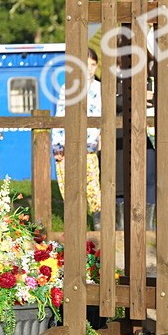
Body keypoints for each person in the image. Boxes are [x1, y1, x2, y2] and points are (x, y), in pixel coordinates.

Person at [53, 49, 103, 229]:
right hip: (68, 145)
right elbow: (60, 115)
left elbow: (105, 116)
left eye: (93, 64)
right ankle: (75, 225)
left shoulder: (100, 88)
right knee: (67, 186)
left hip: (89, 144)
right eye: (85, 64)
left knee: (92, 184)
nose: (89, 69)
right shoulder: (68, 88)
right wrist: (58, 145)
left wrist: (102, 136)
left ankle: (98, 223)